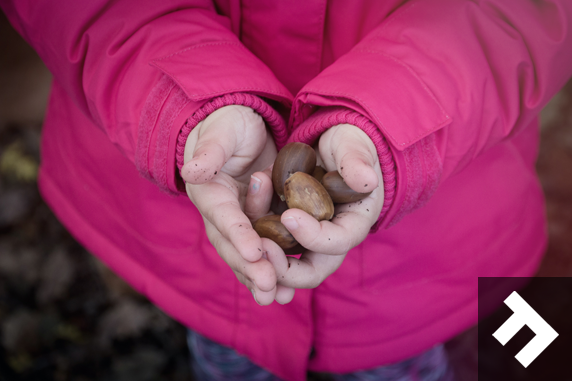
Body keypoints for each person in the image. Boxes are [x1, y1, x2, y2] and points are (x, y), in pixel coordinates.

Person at [2, 0, 572, 380]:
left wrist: (396, 122)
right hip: (197, 236)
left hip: (416, 252)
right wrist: (180, 104)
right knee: (228, 354)